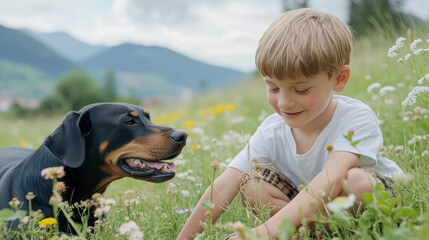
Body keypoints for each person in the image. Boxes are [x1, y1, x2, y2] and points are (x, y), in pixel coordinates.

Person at [176, 8, 403, 240]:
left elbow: (331, 180)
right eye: (273, 88)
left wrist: (259, 233)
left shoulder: (356, 118)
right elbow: (224, 185)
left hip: (369, 206)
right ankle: (310, 234)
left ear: (339, 79)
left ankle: (306, 233)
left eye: (301, 89)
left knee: (357, 181)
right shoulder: (273, 130)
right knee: (253, 187)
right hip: (311, 209)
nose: (284, 102)